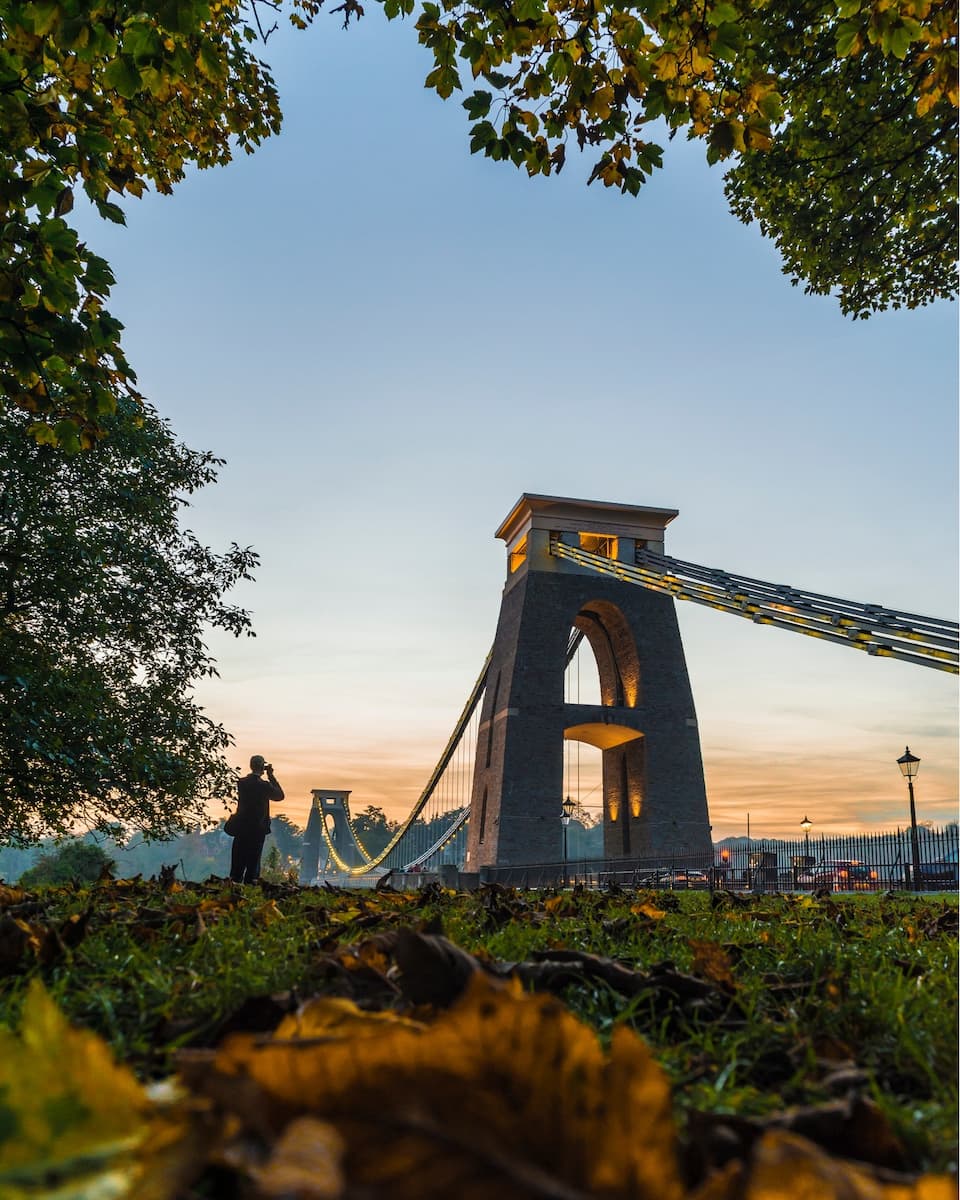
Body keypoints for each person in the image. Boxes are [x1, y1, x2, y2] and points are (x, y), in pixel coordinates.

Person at [230, 755, 284, 883]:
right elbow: (279, 796)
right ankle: (250, 886)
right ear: (262, 767)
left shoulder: (242, 783)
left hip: (241, 828)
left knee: (238, 862)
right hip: (257, 829)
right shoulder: (264, 786)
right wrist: (271, 776)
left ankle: (234, 885)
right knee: (253, 864)